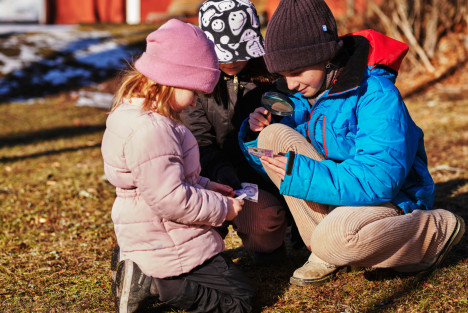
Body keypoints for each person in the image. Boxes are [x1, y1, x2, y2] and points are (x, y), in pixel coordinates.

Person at [239, 0, 465, 286]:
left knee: (334, 239)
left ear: (325, 56)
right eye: (283, 75)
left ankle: (435, 230)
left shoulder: (376, 94)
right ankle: (326, 250)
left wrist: (300, 171)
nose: (291, 84)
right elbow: (281, 170)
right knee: (272, 136)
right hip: (338, 198)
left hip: (390, 198)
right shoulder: (300, 97)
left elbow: (380, 178)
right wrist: (256, 136)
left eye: (296, 72)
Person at [101, 19, 254, 312]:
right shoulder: (152, 130)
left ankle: (139, 264)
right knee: (239, 303)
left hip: (157, 230)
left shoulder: (136, 114)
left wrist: (208, 186)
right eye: (195, 91)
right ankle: (154, 282)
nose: (196, 102)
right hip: (168, 236)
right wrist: (223, 209)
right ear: (173, 78)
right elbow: (171, 199)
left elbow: (166, 179)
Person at [180, 0, 289, 265]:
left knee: (265, 219)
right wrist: (221, 175)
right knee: (193, 225)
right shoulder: (196, 88)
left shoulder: (271, 82)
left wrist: (267, 129)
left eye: (239, 53)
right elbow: (199, 142)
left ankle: (267, 244)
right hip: (209, 177)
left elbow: (288, 132)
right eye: (223, 55)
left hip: (257, 179)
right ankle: (204, 253)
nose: (231, 62)